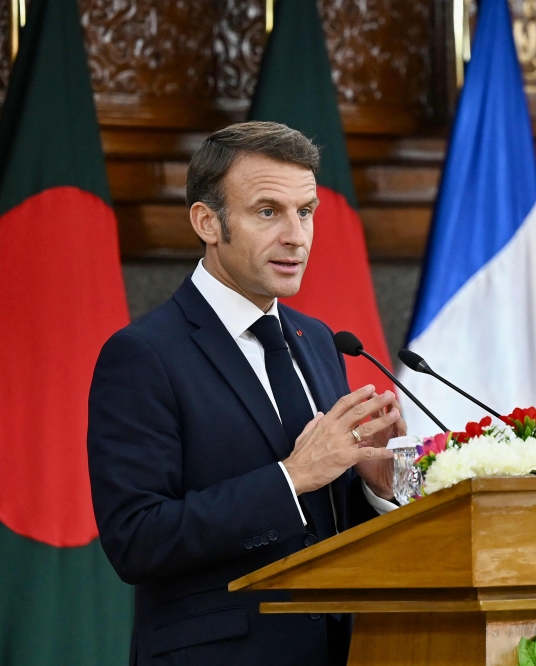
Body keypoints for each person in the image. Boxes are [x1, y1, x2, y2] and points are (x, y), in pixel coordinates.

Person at [88, 122, 402, 666]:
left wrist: (374, 491)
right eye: (267, 212)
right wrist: (292, 476)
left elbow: (323, 525)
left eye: (305, 212)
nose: (296, 236)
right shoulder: (143, 355)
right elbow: (136, 540)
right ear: (208, 222)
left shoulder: (320, 341)